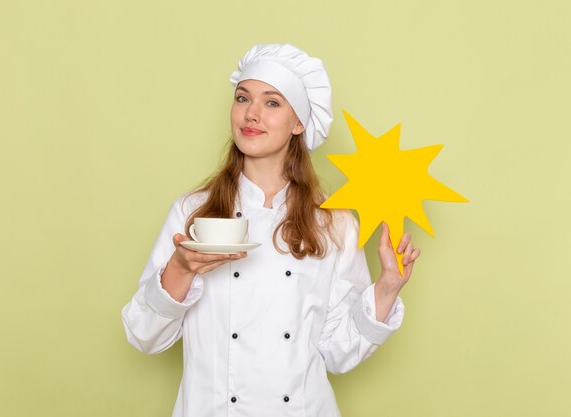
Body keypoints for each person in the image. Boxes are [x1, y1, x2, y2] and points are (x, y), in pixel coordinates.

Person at [121, 43, 421, 417]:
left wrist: (387, 288)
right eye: (243, 98)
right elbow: (143, 335)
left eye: (272, 102)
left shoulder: (334, 223)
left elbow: (337, 353)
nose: (251, 114)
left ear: (299, 123)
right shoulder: (192, 211)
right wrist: (181, 269)